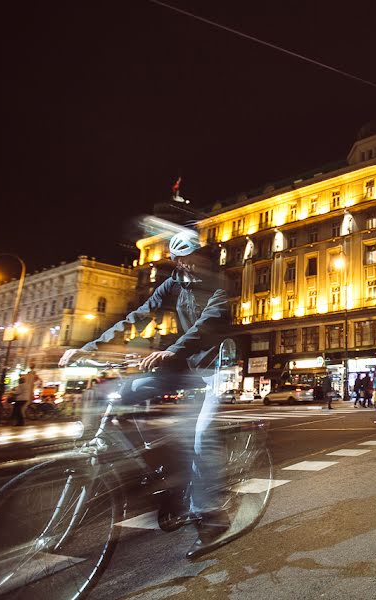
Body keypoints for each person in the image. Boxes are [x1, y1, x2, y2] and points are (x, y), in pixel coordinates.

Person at [59, 229, 231, 559]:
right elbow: (137, 317)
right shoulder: (173, 284)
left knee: (199, 436)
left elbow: (206, 325)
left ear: (202, 257)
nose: (187, 267)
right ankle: (163, 475)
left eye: (192, 259)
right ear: (174, 261)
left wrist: (172, 351)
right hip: (181, 364)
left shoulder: (218, 285)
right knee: (115, 394)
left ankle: (211, 517)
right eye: (180, 261)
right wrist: (88, 349)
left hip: (215, 367)